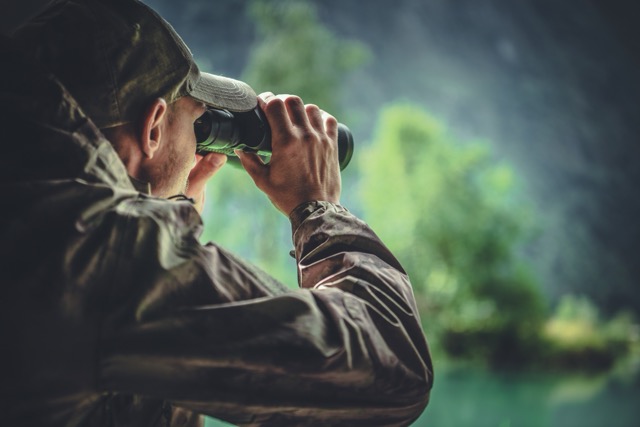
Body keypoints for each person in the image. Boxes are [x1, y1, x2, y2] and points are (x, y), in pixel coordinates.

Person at [0, 0, 433, 425]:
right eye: (197, 124)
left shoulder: (32, 211)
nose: (199, 148)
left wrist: (162, 209)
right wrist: (318, 207)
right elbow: (394, 371)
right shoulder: (102, 250)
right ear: (153, 128)